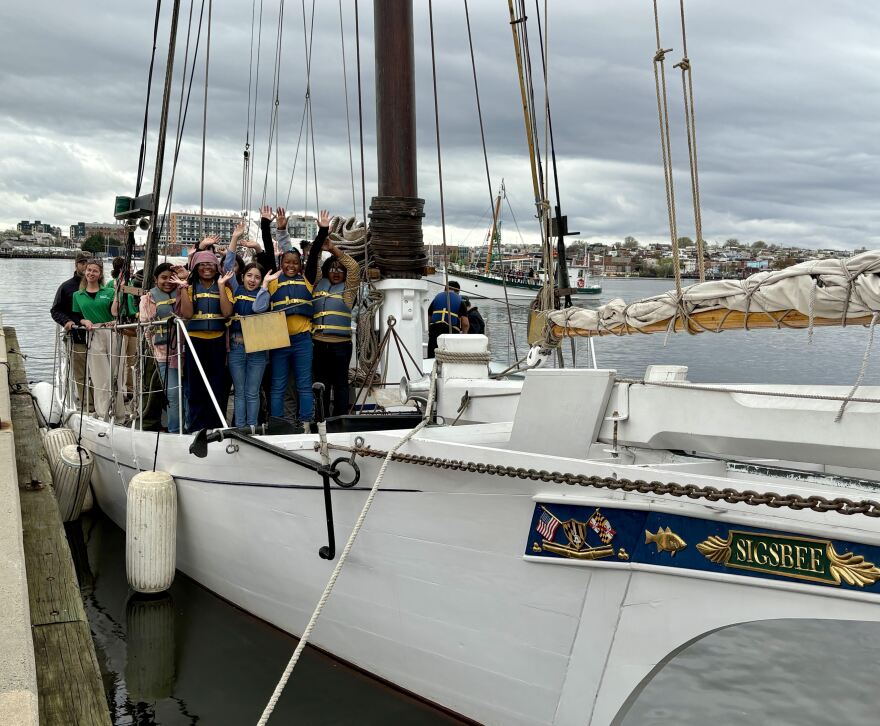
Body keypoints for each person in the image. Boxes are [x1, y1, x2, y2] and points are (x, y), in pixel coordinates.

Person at [261, 207, 330, 423]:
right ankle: (277, 421)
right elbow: (267, 246)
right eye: (287, 262)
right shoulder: (273, 278)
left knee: (303, 383)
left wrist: (323, 231)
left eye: (295, 263)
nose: (291, 266)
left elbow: (316, 251)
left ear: (301, 265)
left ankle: (306, 421)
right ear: (281, 264)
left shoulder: (307, 278)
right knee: (278, 384)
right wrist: (266, 224)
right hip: (279, 340)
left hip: (302, 341)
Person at [224, 225, 271, 427]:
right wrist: (235, 237)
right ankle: (241, 428)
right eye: (249, 276)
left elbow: (259, 309)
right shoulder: (235, 289)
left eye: (257, 277)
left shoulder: (264, 293)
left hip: (258, 348)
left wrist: (266, 286)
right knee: (240, 391)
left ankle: (251, 427)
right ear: (242, 276)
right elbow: (227, 265)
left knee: (253, 391)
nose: (252, 280)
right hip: (236, 346)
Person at [139, 262, 192, 433]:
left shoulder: (184, 291)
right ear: (155, 279)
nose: (168, 281)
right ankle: (175, 430)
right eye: (163, 278)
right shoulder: (148, 299)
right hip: (164, 354)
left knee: (188, 392)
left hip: (185, 351)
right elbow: (147, 328)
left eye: (171, 277)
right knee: (173, 394)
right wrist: (154, 349)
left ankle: (189, 426)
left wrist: (185, 277)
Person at [311, 237, 360, 417]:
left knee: (340, 384)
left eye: (340, 269)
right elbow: (312, 268)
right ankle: (320, 420)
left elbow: (354, 268)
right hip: (318, 344)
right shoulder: (317, 285)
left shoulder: (348, 291)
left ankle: (341, 419)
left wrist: (333, 249)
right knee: (320, 384)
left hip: (341, 346)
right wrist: (317, 250)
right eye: (332, 269)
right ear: (326, 271)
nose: (336, 272)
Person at [184, 249, 232, 430]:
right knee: (195, 387)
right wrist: (182, 288)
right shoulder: (189, 288)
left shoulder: (225, 287)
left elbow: (227, 313)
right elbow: (187, 314)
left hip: (217, 342)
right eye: (202, 264)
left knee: (217, 385)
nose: (206, 268)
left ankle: (217, 425)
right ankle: (197, 427)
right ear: (196, 267)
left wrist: (220, 287)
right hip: (195, 342)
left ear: (217, 267)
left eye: (210, 264)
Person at [71, 259, 125, 420]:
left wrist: (115, 320)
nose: (91, 273)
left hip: (112, 332)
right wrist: (83, 321)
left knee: (116, 375)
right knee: (99, 376)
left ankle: (119, 414)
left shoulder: (108, 293)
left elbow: (117, 313)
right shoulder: (77, 295)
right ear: (84, 272)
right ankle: (103, 414)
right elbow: (76, 315)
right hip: (93, 333)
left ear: (100, 274)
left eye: (95, 271)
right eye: (88, 270)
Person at [51, 251, 93, 409]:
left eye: (89, 263)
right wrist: (66, 321)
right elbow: (55, 310)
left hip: (98, 335)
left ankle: (102, 402)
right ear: (77, 265)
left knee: (98, 372)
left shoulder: (99, 285)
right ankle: (87, 405)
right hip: (77, 335)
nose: (86, 266)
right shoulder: (66, 287)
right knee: (81, 373)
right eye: (83, 262)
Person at [427, 280, 469, 358]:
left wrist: (430, 329)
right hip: (451, 330)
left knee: (433, 355)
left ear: (445, 289)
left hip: (435, 330)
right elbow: (465, 323)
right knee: (450, 356)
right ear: (458, 291)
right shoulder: (460, 301)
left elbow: (429, 316)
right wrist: (464, 335)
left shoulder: (437, 298)